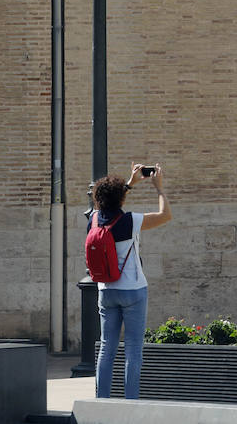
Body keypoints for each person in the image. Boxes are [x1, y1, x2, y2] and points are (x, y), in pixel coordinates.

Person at [89, 163, 172, 399]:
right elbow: (166, 215)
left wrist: (129, 183)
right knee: (133, 350)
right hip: (133, 290)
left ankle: (101, 401)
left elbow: (109, 203)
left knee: (107, 348)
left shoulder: (94, 219)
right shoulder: (130, 221)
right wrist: (159, 188)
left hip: (106, 290)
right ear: (121, 200)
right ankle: (130, 403)